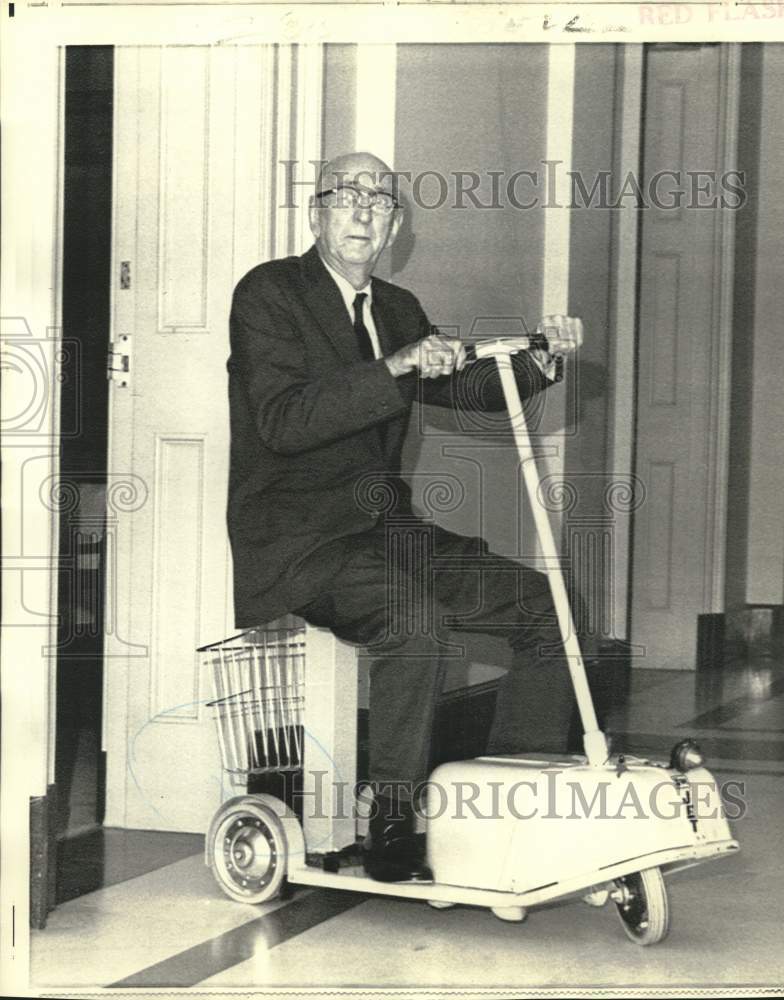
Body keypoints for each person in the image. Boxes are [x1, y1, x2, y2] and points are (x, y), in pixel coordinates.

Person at [227, 151, 585, 882]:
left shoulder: (396, 307)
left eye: (381, 200)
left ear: (393, 227)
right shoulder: (270, 293)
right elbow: (283, 421)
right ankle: (391, 824)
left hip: (385, 532)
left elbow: (467, 387)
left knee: (546, 605)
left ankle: (508, 807)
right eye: (346, 194)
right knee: (415, 625)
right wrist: (396, 366)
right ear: (317, 213)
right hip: (300, 538)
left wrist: (542, 361)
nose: (364, 209)